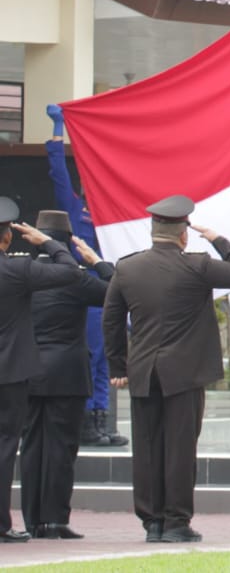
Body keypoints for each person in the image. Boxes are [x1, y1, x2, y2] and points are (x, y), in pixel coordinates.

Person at [103, 195, 230, 543]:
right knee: (180, 449)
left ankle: (151, 522)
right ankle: (175, 522)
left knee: (146, 448)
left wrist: (118, 365)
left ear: (153, 231)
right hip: (184, 373)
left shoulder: (127, 268)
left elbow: (111, 321)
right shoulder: (197, 265)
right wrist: (217, 238)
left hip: (143, 372)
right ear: (184, 234)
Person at [20, 211, 113, 540]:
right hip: (67, 374)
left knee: (31, 447)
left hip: (27, 371)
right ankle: (55, 519)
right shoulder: (74, 277)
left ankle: (31, 520)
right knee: (61, 448)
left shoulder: (23, 273)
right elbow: (115, 290)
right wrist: (96, 261)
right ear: (68, 242)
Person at [0, 199, 87, 543]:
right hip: (11, 373)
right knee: (6, 447)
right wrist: (48, 243)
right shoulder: (16, 271)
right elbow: (69, 272)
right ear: (7, 238)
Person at [44, 104, 125, 447]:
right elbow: (58, 172)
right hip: (86, 287)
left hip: (109, 288)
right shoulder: (76, 210)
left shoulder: (115, 213)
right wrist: (58, 130)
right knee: (93, 356)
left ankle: (101, 421)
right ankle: (88, 425)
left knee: (106, 359)